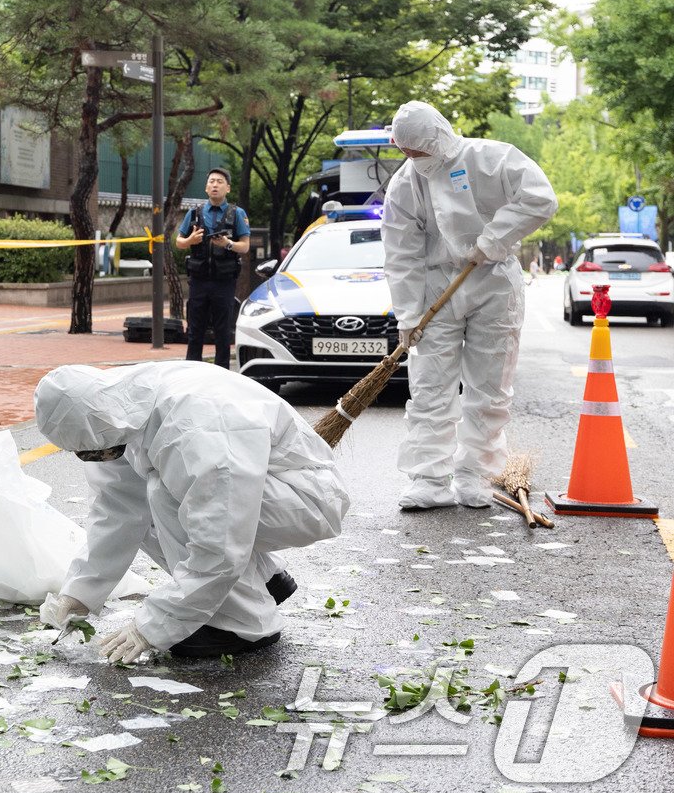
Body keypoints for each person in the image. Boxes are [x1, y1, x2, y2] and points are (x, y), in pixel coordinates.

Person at [34, 362, 348, 661]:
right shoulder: (119, 409)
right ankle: (266, 580)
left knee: (162, 494)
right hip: (261, 491)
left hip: (308, 497)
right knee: (157, 493)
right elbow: (117, 510)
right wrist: (78, 595)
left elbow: (220, 538)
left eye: (94, 450)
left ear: (104, 422)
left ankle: (242, 624)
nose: (95, 456)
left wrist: (154, 626)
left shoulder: (194, 425)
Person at [381, 101, 557, 511]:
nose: (414, 160)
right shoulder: (404, 185)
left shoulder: (492, 158)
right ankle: (429, 478)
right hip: (436, 287)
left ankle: (474, 474)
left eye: (420, 151)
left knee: (490, 385)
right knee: (430, 386)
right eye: (407, 153)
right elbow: (400, 253)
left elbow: (540, 199)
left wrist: (493, 240)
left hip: (494, 281)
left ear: (439, 137)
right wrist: (407, 315)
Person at [175, 168, 250, 367]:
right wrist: (190, 239)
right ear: (206, 187)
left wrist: (227, 244)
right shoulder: (194, 212)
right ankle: (192, 371)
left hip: (224, 282)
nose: (215, 185)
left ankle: (222, 374)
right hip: (199, 281)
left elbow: (245, 245)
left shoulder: (237, 213)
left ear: (228, 188)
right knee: (195, 331)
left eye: (219, 181)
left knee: (223, 332)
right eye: (211, 181)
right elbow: (179, 242)